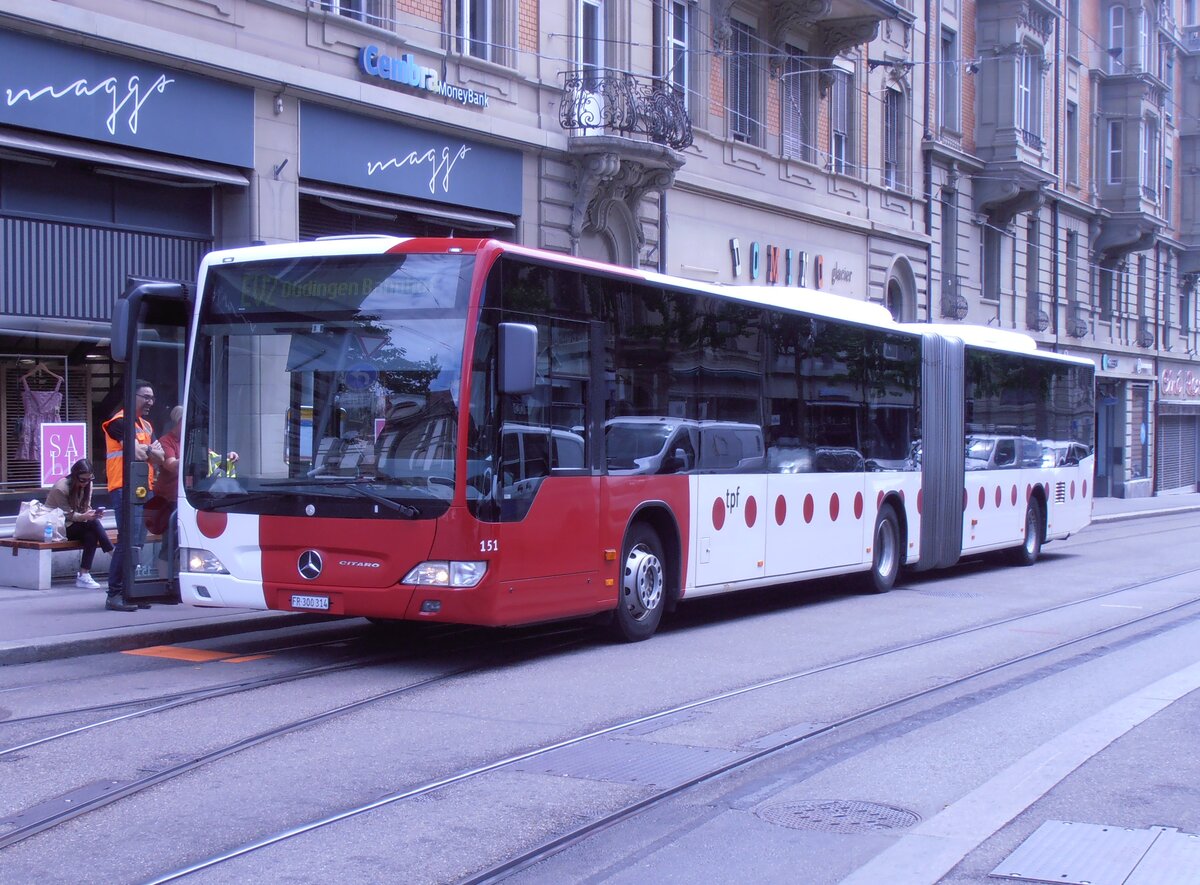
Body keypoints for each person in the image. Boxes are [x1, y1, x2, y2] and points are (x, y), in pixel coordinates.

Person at [102, 380, 163, 612]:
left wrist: (146, 451)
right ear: (132, 396)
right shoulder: (118, 422)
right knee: (127, 541)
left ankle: (130, 591)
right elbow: (139, 453)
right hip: (123, 487)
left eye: (152, 397)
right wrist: (149, 451)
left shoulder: (145, 425)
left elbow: (161, 457)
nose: (150, 402)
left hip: (143, 488)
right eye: (146, 396)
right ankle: (115, 593)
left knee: (136, 543)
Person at [45, 459, 113, 589]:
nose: (86, 483)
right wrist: (85, 517)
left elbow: (86, 507)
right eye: (83, 480)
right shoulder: (61, 488)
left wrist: (92, 514)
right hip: (58, 526)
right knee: (93, 525)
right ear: (75, 476)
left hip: (76, 523)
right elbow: (67, 515)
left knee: (91, 534)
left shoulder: (88, 484)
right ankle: (114, 555)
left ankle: (84, 575)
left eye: (89, 479)